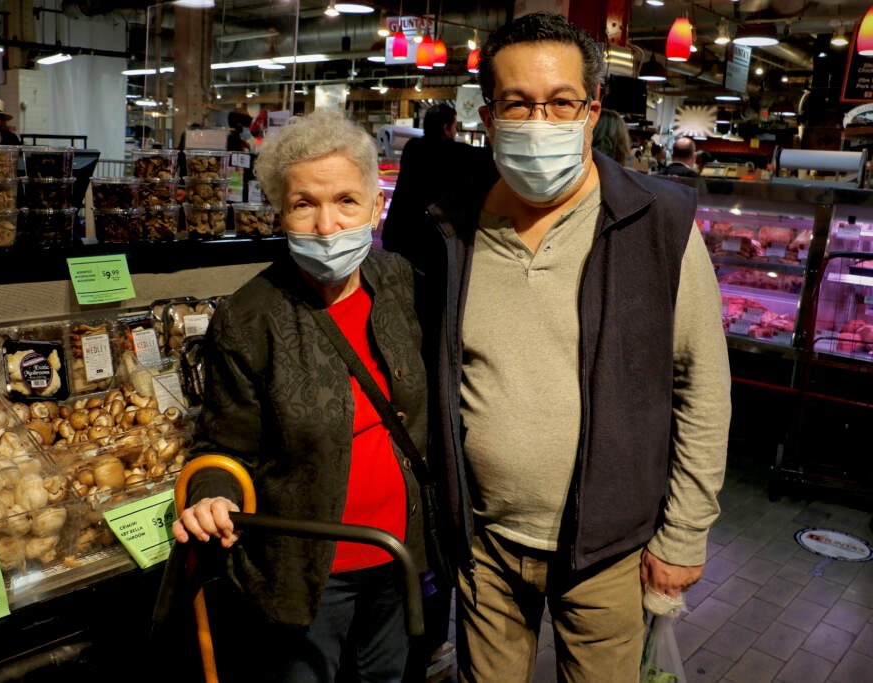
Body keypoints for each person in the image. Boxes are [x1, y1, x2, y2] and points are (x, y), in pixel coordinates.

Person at [411, 12, 731, 682]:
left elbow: (702, 386)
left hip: (608, 551)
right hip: (486, 545)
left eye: (560, 102)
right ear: (489, 115)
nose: (539, 120)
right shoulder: (452, 227)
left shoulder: (658, 225)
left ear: (591, 111)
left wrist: (684, 532)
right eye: (517, 103)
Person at [171, 109, 429, 682]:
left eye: (346, 201)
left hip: (399, 555)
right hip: (307, 566)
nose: (327, 226)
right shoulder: (248, 318)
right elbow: (222, 444)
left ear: (375, 206)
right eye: (303, 204)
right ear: (280, 214)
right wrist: (212, 495)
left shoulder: (400, 284)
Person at [381, 103, 497, 278]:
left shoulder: (412, 148)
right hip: (430, 247)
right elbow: (491, 162)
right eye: (454, 126)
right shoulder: (457, 154)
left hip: (399, 238)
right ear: (446, 128)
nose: (455, 132)